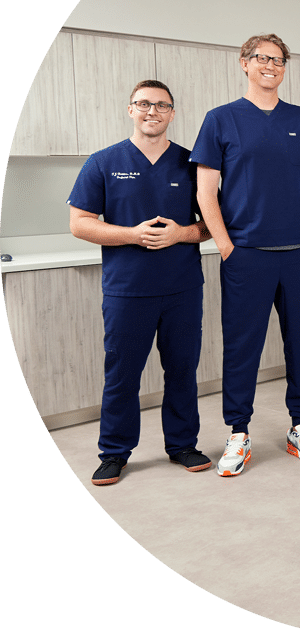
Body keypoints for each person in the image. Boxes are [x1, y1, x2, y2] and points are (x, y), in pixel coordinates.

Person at [190, 33, 300, 476]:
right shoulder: (221, 120)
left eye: (279, 59)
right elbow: (205, 192)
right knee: (241, 346)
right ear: (244, 63)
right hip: (247, 255)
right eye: (262, 58)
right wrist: (227, 246)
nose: (271, 65)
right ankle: (238, 433)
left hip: (299, 254)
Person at [68, 79, 212, 486]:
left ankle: (182, 444)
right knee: (122, 374)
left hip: (182, 288)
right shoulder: (103, 162)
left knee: (182, 369)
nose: (153, 111)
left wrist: (178, 234)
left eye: (162, 105)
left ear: (172, 112)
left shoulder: (192, 164)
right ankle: (114, 452)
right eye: (144, 104)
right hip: (127, 290)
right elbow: (79, 224)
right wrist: (133, 234)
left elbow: (210, 225)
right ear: (130, 109)